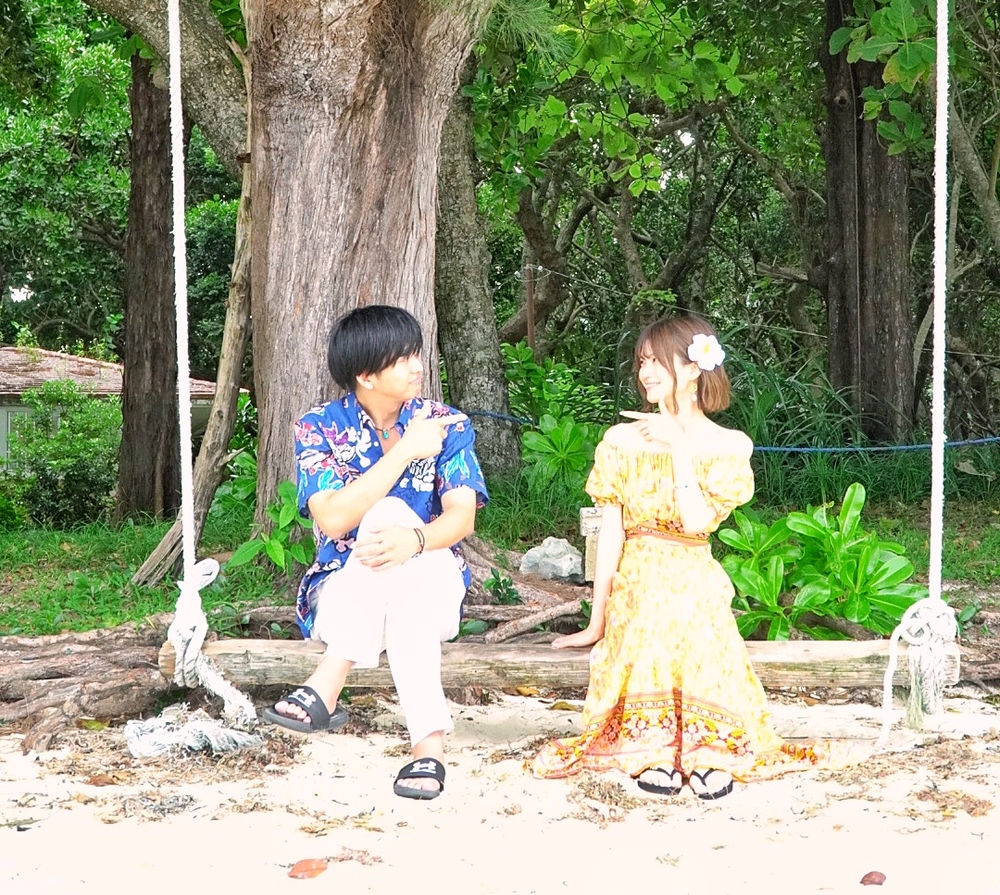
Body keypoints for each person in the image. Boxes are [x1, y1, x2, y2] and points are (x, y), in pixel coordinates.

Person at [532, 313, 859, 797]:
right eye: (641, 362)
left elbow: (695, 523)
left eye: (655, 362)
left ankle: (710, 748)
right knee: (657, 605)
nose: (645, 372)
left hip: (694, 572)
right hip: (639, 577)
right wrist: (596, 620)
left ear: (691, 369)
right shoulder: (620, 441)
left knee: (693, 607)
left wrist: (678, 448)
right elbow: (612, 534)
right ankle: (654, 747)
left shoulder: (728, 445)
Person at [262, 304, 487, 801]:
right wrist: (405, 451)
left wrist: (415, 542)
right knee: (389, 528)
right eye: (403, 359)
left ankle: (327, 682)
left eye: (416, 354)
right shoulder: (318, 427)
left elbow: (461, 518)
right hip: (344, 592)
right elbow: (334, 519)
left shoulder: (446, 424)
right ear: (366, 375)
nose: (417, 367)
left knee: (402, 547)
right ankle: (429, 750)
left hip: (431, 578)